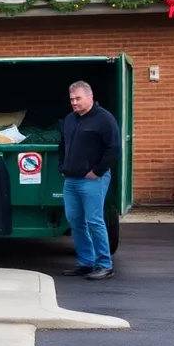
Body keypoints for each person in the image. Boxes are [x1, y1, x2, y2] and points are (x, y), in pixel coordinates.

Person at [58, 80, 120, 280]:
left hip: (93, 179)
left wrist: (98, 171)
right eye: (71, 99)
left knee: (94, 220)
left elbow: (114, 149)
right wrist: (62, 166)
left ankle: (104, 265)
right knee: (75, 221)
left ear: (90, 97)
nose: (74, 103)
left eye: (78, 98)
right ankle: (85, 262)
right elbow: (63, 145)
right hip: (71, 180)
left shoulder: (104, 119)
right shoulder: (69, 119)